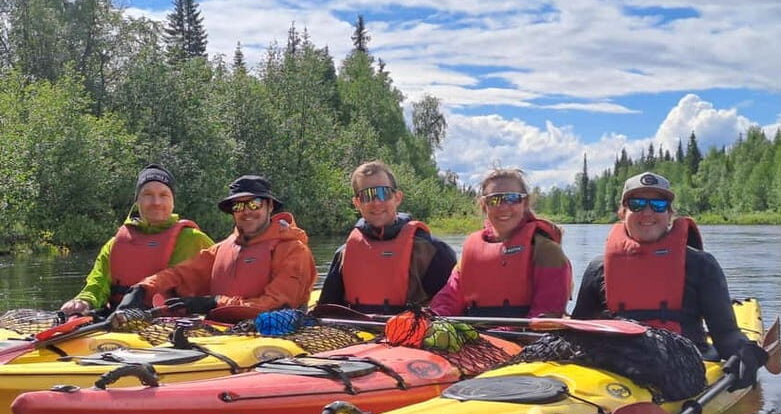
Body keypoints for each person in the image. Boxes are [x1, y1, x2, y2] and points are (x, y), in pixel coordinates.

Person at [571, 171, 767, 389]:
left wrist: (741, 354)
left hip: (685, 364)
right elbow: (580, 330)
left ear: (670, 213)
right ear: (622, 211)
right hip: (614, 366)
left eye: (658, 204)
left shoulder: (701, 265)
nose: (647, 212)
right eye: (636, 204)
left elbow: (726, 333)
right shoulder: (599, 268)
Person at [117, 175, 317, 321]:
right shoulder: (222, 248)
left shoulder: (294, 251)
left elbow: (275, 305)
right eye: (238, 206)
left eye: (254, 204)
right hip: (221, 333)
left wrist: (214, 302)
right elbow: (181, 274)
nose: (246, 211)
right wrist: (143, 288)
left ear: (270, 206)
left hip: (271, 334)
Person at [60, 164, 213, 316]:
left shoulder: (195, 240)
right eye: (148, 194)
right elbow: (97, 285)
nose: (156, 202)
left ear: (173, 202)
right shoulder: (114, 244)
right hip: (120, 320)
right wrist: (83, 301)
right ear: (137, 201)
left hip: (172, 324)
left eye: (164, 195)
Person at [429, 168, 572, 317]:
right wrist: (432, 320)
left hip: (525, 336)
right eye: (494, 200)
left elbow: (547, 312)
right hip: (478, 335)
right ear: (484, 205)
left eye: (512, 198)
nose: (503, 207)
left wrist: (502, 334)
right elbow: (448, 300)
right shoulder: (471, 251)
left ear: (525, 203)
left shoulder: (547, 251)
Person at [318, 160, 457, 314]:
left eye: (383, 193)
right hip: (359, 333)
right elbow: (327, 310)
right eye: (367, 196)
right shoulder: (344, 254)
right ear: (357, 203)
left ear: (397, 197)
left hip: (414, 334)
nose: (376, 203)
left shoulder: (433, 250)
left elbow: (452, 306)